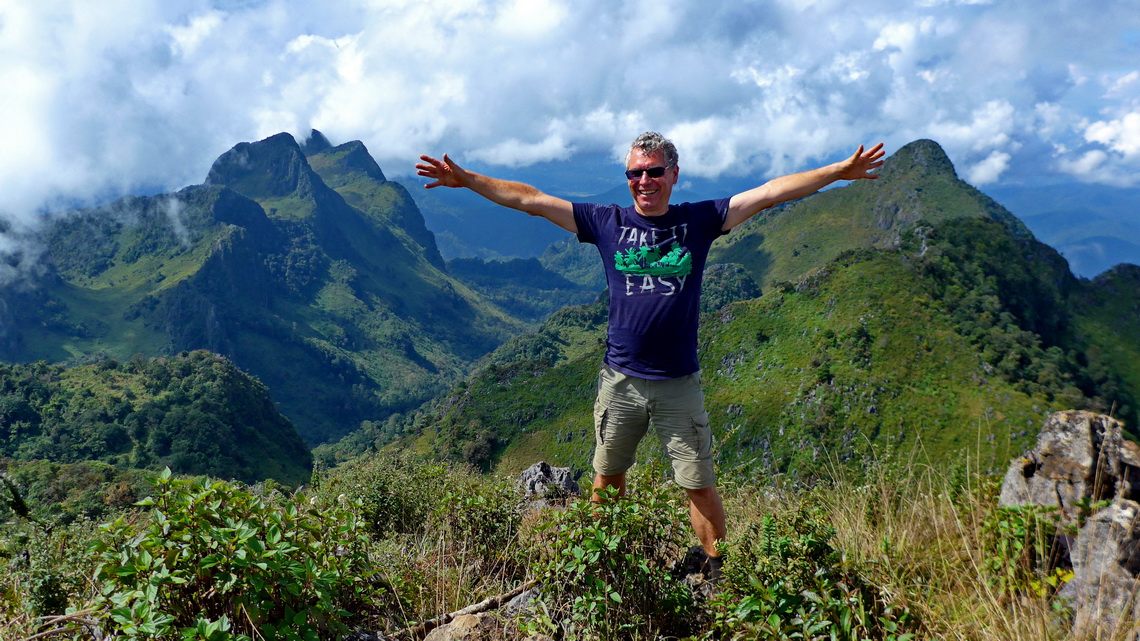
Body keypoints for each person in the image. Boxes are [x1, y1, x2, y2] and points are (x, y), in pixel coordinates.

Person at [416, 132, 885, 580]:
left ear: (674, 174)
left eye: (654, 171)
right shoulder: (607, 222)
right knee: (607, 476)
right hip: (619, 380)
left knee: (697, 482)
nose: (644, 182)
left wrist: (841, 170)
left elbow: (769, 194)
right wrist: (469, 180)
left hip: (679, 382)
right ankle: (605, 561)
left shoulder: (698, 221)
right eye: (634, 174)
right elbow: (530, 200)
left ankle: (720, 570)